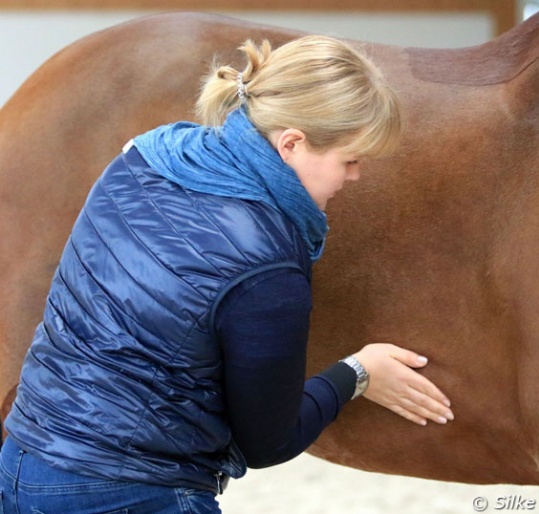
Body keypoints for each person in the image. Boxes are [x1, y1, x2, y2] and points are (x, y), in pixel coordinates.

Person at [0, 35, 454, 514]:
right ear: (292, 142)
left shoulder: (143, 154)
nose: (356, 176)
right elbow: (268, 442)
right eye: (350, 160)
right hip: (132, 493)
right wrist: (357, 373)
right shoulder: (267, 266)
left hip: (20, 461)